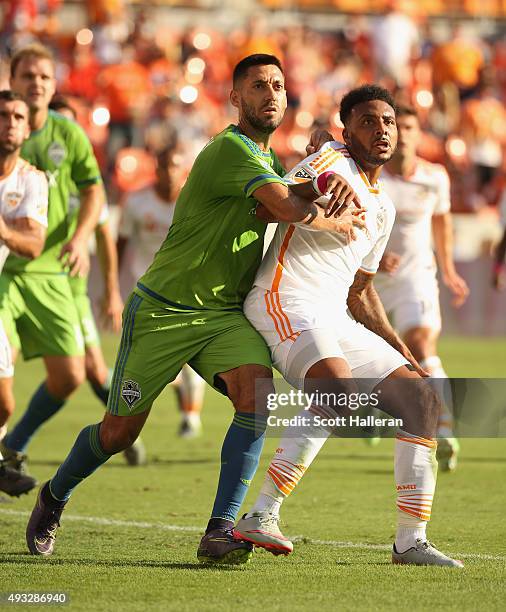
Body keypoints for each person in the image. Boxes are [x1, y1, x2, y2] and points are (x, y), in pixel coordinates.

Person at [25, 53, 363, 564]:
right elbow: (289, 208)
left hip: (221, 316)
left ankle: (219, 531)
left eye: (277, 85)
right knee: (118, 433)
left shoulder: (267, 160)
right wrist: (329, 212)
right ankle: (54, 494)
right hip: (162, 311)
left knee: (257, 392)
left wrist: (320, 174)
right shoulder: (230, 150)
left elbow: (291, 190)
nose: (270, 94)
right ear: (235, 98)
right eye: (256, 86)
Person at [235, 85, 463, 567]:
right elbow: (270, 201)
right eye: (367, 121)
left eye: (388, 122)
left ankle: (410, 541)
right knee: (339, 394)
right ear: (347, 131)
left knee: (422, 399)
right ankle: (260, 515)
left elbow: (360, 292)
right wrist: (317, 181)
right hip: (284, 298)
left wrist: (406, 355)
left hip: (333, 314)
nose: (381, 130)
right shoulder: (332, 160)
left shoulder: (385, 208)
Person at [0, 44, 104, 475]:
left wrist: (80, 239)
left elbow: (95, 190)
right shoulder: (5, 124)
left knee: (69, 377)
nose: (37, 84)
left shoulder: (68, 133)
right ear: (14, 82)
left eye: (45, 77)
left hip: (50, 270)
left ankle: (15, 442)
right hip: (6, 271)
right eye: (28, 76)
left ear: (54, 85)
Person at [48, 94, 144, 466]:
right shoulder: (24, 166)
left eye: (69, 124)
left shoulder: (85, 178)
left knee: (87, 368)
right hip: (25, 276)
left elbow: (104, 233)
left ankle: (119, 430)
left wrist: (110, 293)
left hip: (69, 285)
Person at [374, 105, 469, 470]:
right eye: (398, 127)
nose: (403, 133)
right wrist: (375, 257)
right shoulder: (373, 178)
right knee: (376, 363)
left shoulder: (435, 177)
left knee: (422, 344)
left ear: (417, 133)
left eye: (410, 127)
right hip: (371, 284)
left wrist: (448, 270)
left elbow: (442, 224)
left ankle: (444, 427)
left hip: (417, 278)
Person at [117, 145, 205, 438]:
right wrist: (114, 285)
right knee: (146, 361)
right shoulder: (136, 202)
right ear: (155, 169)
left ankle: (190, 418)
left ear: (184, 171)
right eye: (164, 166)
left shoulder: (196, 201)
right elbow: (121, 242)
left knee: (189, 355)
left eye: (174, 167)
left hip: (185, 290)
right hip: (145, 288)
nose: (169, 173)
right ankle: (127, 423)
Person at [0, 90, 48, 497]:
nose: (11, 122)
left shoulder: (31, 180)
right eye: (3, 115)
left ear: (28, 126)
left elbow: (33, 244)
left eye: (18, 116)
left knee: (4, 404)